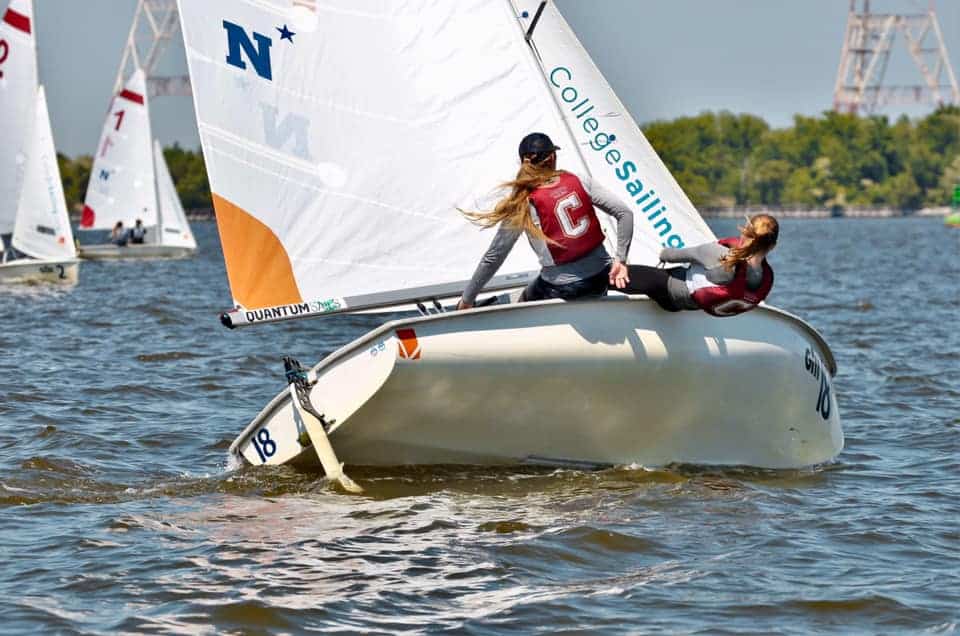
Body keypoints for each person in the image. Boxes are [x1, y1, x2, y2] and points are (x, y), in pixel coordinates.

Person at [456, 133, 634, 309]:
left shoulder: (523, 202)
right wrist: (621, 261)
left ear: (523, 163)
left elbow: (494, 256)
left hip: (564, 289)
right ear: (553, 157)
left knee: (523, 300)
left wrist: (467, 300)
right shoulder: (579, 179)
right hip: (601, 278)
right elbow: (625, 213)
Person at [621, 214, 778, 317]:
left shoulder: (720, 255)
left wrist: (662, 252)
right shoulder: (764, 277)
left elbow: (670, 255)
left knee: (613, 274)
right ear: (773, 246)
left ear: (744, 233)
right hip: (690, 307)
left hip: (668, 290)